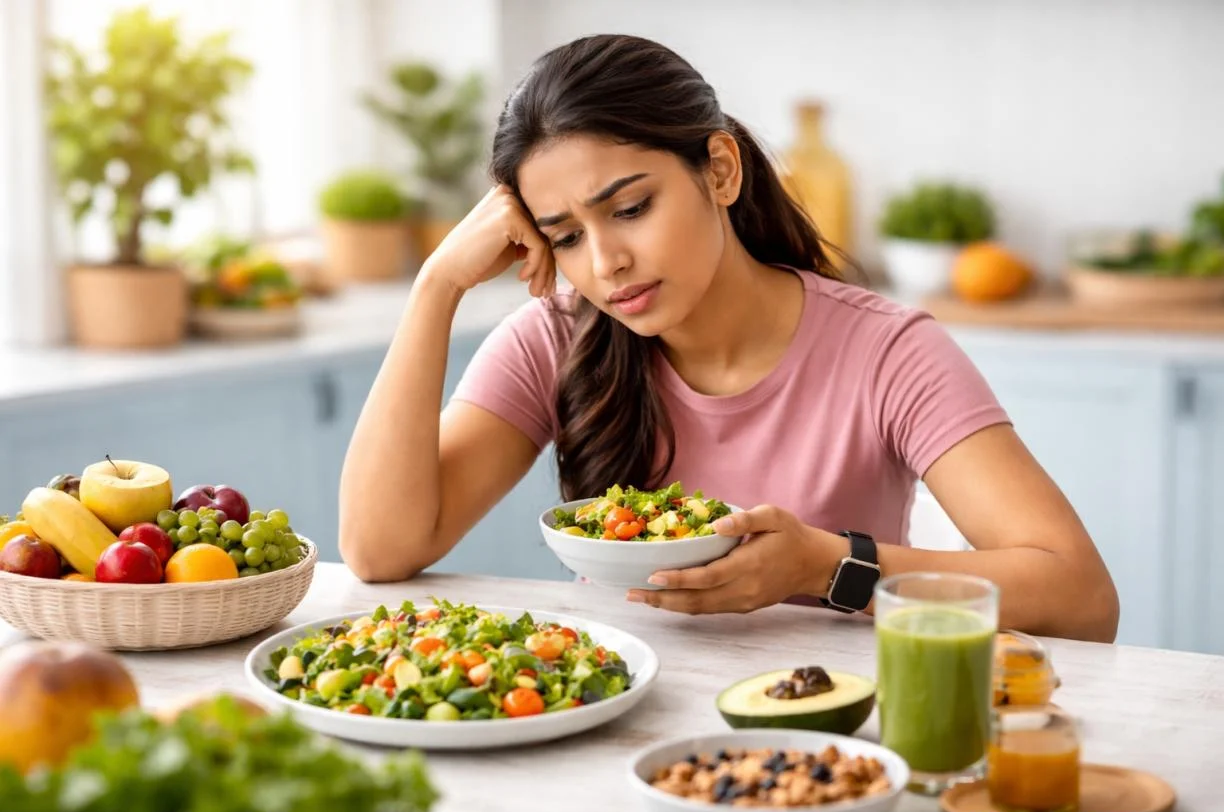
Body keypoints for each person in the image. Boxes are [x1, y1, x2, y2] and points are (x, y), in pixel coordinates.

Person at [338, 33, 1119, 643]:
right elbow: (380, 549)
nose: (606, 264)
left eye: (631, 208)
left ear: (718, 170)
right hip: (613, 716)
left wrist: (828, 565)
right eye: (565, 235)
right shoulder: (555, 336)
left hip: (829, 737)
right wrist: (435, 288)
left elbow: (1082, 599)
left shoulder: (887, 351)